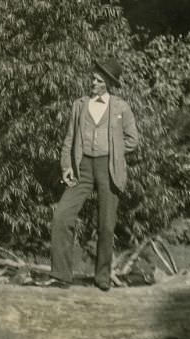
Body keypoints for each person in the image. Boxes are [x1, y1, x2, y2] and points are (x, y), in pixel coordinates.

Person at [46, 57, 140, 291]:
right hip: (83, 168)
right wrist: (67, 167)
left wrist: (114, 151)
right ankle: (61, 275)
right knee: (61, 217)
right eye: (93, 78)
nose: (93, 82)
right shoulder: (79, 105)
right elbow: (69, 140)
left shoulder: (121, 107)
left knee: (106, 225)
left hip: (109, 169)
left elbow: (133, 140)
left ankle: (102, 278)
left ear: (108, 83)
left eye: (98, 80)